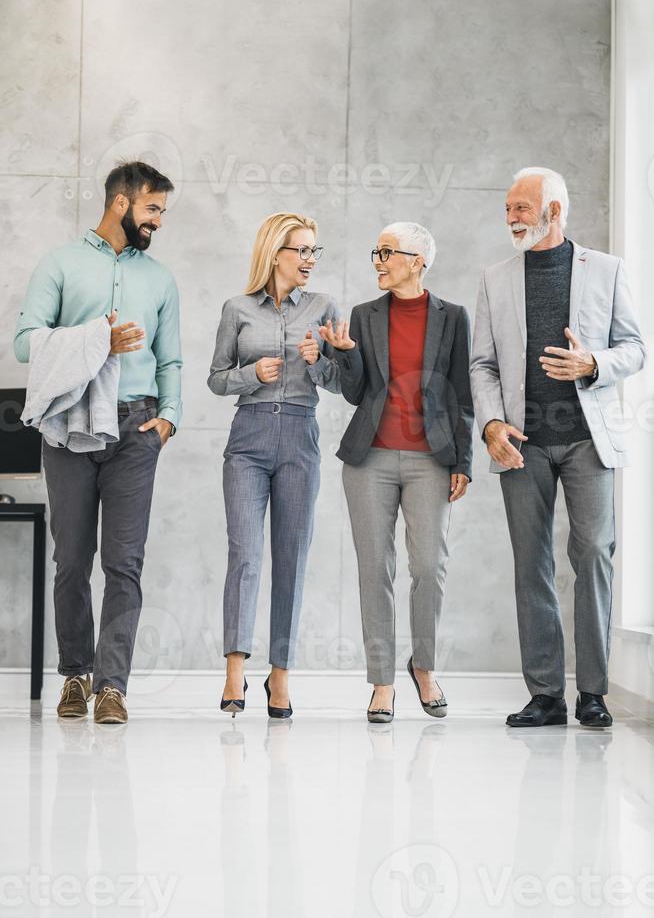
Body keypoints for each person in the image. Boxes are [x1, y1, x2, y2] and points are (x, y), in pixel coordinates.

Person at [470, 166, 646, 729]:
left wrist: (594, 363)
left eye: (522, 208)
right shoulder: (495, 278)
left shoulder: (608, 270)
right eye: (508, 208)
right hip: (523, 442)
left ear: (555, 210)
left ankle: (593, 691)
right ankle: (545, 695)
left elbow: (635, 349)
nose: (512, 218)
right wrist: (492, 424)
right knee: (532, 563)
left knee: (593, 553)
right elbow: (483, 364)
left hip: (587, 440)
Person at [14, 161, 182, 724]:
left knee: (124, 564)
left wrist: (169, 418)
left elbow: (171, 358)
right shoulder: (60, 264)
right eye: (153, 208)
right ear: (121, 204)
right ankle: (74, 676)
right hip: (68, 429)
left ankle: (112, 686)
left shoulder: (160, 279)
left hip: (137, 428)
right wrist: (97, 340)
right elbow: (23, 344)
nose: (158, 220)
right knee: (71, 561)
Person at [321, 222, 473, 723]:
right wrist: (345, 355)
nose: (378, 260)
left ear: (417, 261)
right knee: (375, 570)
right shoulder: (364, 316)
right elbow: (355, 391)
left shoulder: (453, 317)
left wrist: (463, 462)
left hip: (432, 458)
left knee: (429, 568)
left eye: (388, 252)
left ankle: (423, 667)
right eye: (376, 252)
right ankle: (382, 681)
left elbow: (462, 395)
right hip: (370, 459)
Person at [208, 212, 340, 718]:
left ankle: (280, 676)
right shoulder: (237, 308)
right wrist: (249, 374)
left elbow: (341, 382)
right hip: (249, 438)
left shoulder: (325, 308)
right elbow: (217, 379)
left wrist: (318, 361)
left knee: (292, 560)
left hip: (301, 439)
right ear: (274, 254)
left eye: (314, 251)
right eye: (301, 250)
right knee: (244, 554)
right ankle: (235, 673)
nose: (310, 260)